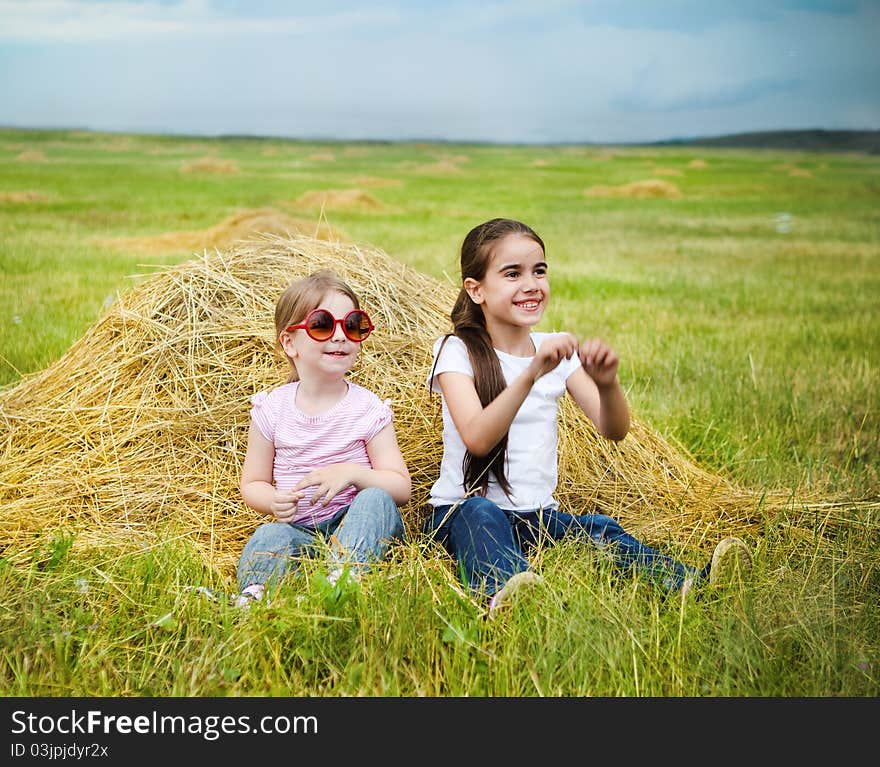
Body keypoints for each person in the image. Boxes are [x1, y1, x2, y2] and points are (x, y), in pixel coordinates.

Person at [424, 217, 751, 614]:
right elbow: (477, 438)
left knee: (599, 528)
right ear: (476, 290)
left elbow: (614, 429)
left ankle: (687, 584)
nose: (531, 284)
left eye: (539, 271)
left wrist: (608, 383)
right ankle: (504, 596)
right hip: (462, 513)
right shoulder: (456, 351)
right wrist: (531, 375)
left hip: (537, 518)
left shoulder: (553, 350)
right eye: (512, 274)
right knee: (481, 515)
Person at [234, 269, 411, 607]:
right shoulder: (272, 409)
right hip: (300, 532)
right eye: (322, 325)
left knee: (376, 500)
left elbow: (401, 488)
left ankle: (343, 577)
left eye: (352, 325)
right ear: (290, 342)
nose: (341, 336)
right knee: (269, 535)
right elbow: (253, 482)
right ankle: (255, 594)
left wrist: (353, 474)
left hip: (356, 526)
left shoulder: (367, 408)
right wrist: (272, 501)